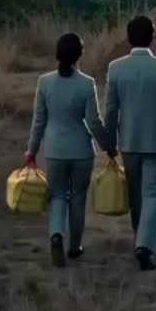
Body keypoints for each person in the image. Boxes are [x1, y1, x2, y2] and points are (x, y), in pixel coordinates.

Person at [103, 13, 156, 271]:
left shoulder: (115, 68)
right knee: (151, 195)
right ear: (152, 38)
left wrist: (109, 142)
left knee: (136, 196)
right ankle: (144, 246)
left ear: (128, 38)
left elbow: (111, 111)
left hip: (128, 141)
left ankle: (140, 240)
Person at [26, 31, 110, 269]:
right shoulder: (87, 84)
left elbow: (39, 122)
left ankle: (56, 235)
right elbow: (93, 122)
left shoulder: (44, 82)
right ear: (79, 55)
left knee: (57, 196)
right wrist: (108, 146)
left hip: (54, 150)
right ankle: (74, 246)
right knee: (78, 198)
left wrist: (31, 150)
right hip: (81, 150)